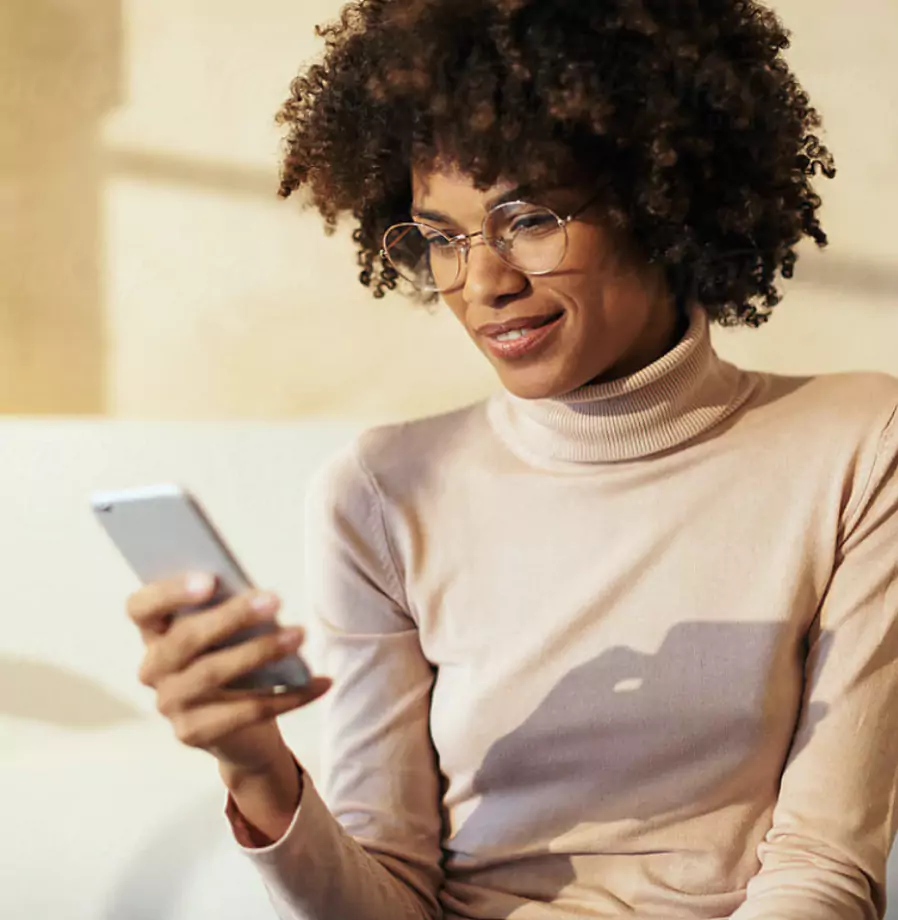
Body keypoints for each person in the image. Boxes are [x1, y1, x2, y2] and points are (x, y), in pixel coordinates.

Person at [126, 1, 898, 917]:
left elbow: (824, 868)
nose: (483, 283)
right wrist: (256, 768)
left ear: (661, 202)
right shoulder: (382, 493)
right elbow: (392, 893)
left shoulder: (859, 442)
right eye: (443, 237)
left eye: (528, 220)